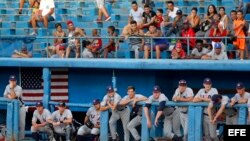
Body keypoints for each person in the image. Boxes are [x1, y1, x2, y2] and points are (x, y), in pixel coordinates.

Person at [3, 75, 26, 139]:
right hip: (12, 108)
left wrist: (12, 88)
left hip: (21, 107)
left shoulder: (19, 88)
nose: (12, 82)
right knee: (11, 123)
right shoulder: (7, 86)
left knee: (21, 124)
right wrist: (9, 95)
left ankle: (21, 138)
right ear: (9, 81)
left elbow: (13, 97)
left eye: (14, 80)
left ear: (16, 81)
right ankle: (12, 138)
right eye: (11, 80)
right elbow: (5, 95)